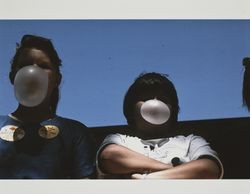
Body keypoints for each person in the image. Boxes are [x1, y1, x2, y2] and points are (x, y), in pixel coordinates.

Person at [0, 35, 95, 179]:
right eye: (25, 65)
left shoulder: (75, 132)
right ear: (13, 76)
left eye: (44, 66)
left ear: (57, 79)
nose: (33, 72)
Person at [97, 72, 224, 179]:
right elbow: (109, 157)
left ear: (173, 110)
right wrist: (170, 168)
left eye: (163, 99)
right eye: (146, 98)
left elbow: (210, 168)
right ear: (131, 109)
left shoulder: (190, 141)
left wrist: (150, 179)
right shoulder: (120, 140)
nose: (155, 103)